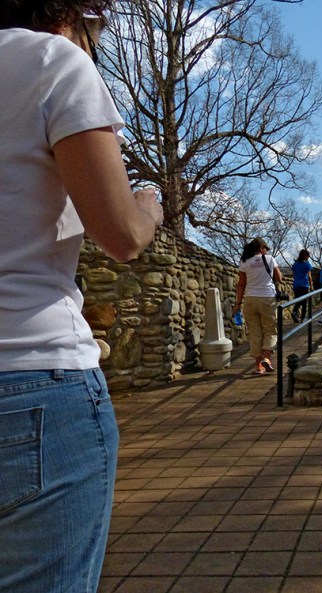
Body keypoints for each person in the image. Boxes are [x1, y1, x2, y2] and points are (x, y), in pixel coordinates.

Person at [0, 3, 164, 593]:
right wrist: (147, 208)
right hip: (30, 378)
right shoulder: (51, 59)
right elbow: (119, 235)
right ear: (73, 13)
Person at [232, 238, 282, 374]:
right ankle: (267, 358)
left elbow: (241, 284)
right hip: (267, 298)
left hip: (250, 299)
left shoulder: (244, 262)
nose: (266, 251)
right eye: (265, 248)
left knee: (255, 332)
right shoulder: (270, 259)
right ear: (261, 248)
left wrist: (238, 303)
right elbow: (279, 278)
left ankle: (259, 367)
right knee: (270, 330)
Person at [291, 249, 313, 323]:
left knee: (298, 300)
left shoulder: (295, 264)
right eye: (308, 256)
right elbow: (309, 276)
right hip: (304, 285)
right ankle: (302, 318)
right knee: (304, 302)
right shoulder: (307, 264)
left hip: (296, 285)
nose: (308, 258)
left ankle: (295, 313)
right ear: (305, 256)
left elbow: (293, 275)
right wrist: (311, 285)